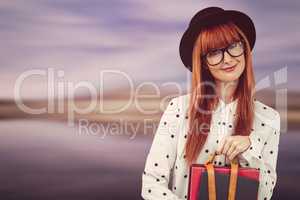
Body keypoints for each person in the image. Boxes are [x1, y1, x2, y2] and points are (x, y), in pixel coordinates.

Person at [141, 6, 281, 200]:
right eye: (214, 52)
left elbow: (265, 194)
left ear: (245, 48)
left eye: (233, 45)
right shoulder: (178, 109)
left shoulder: (269, 118)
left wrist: (249, 149)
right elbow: (151, 185)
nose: (228, 59)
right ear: (203, 62)